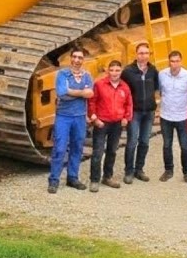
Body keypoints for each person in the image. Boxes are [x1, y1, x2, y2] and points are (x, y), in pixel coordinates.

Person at [48, 46, 94, 193]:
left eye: (80, 58)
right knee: (60, 148)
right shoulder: (62, 74)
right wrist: (81, 92)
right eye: (74, 57)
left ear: (83, 60)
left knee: (77, 147)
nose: (76, 60)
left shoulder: (87, 76)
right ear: (70, 58)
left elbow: (90, 93)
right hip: (64, 116)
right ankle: (54, 179)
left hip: (80, 116)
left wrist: (71, 91)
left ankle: (72, 177)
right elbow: (62, 93)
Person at [87, 59, 133, 192]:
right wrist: (94, 119)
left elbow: (129, 104)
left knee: (112, 151)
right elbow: (92, 102)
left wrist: (126, 118)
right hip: (102, 123)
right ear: (108, 71)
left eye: (117, 70)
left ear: (121, 71)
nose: (114, 73)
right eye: (112, 70)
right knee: (98, 151)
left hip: (117, 124)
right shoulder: (100, 85)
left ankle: (107, 177)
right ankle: (94, 180)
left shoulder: (124, 87)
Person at [121, 42, 159, 184]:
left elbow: (155, 88)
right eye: (141, 53)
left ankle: (139, 169)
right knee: (132, 141)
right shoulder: (128, 71)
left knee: (144, 141)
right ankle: (129, 171)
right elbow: (123, 91)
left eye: (146, 53)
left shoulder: (153, 70)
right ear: (136, 54)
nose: (144, 56)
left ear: (149, 55)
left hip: (148, 112)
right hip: (134, 112)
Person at [156, 50, 187, 183]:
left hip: (183, 117)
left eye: (177, 61)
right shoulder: (162, 74)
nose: (175, 64)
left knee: (185, 146)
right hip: (166, 116)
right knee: (167, 145)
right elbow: (161, 92)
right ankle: (168, 170)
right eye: (172, 61)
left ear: (181, 61)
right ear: (169, 62)